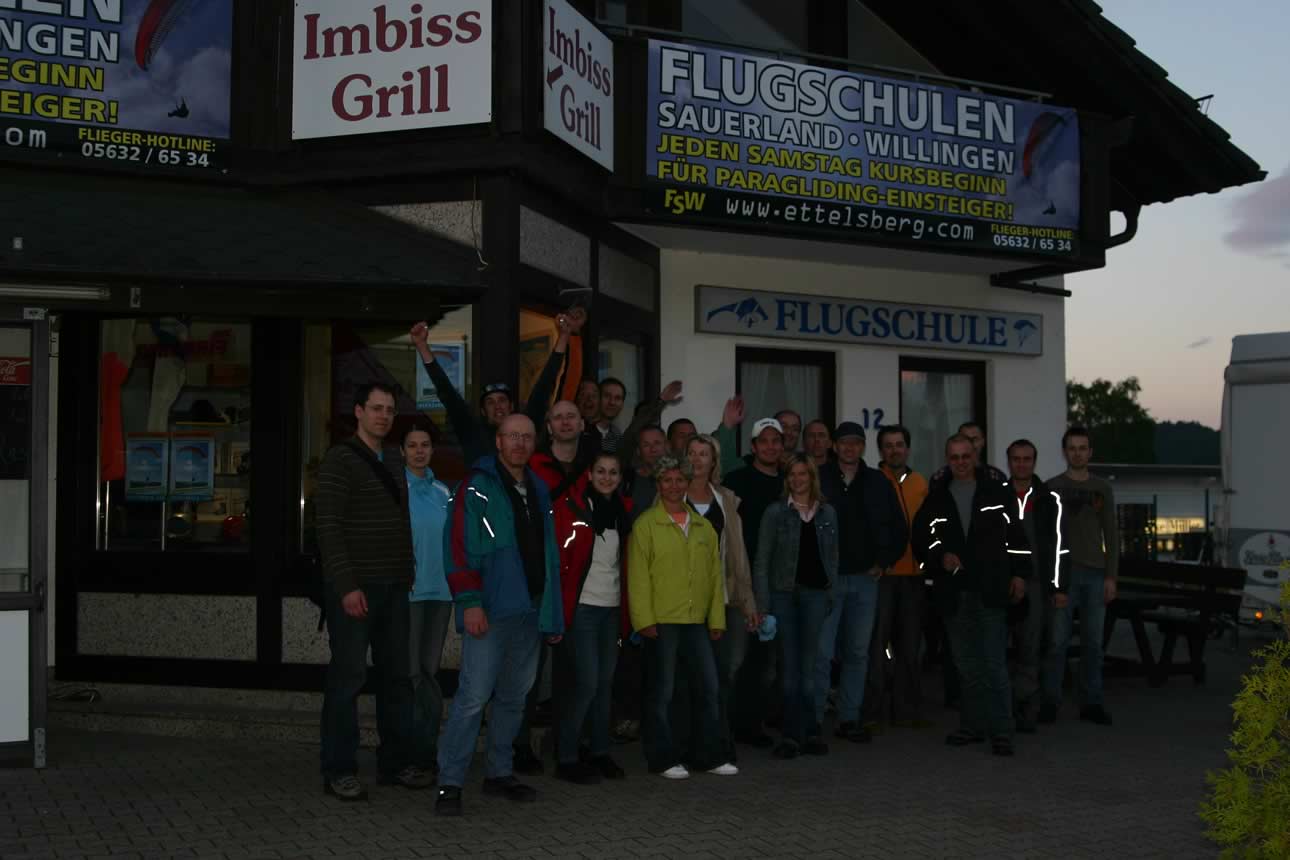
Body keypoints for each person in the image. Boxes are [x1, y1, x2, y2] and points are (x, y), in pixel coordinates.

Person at [435, 415, 565, 816]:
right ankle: (450, 783)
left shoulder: (539, 489)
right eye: (512, 436)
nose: (520, 443)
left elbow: (548, 554)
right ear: (498, 441)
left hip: (530, 610)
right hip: (489, 611)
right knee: (473, 698)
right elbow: (457, 547)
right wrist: (470, 602)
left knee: (513, 698)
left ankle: (499, 773)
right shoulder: (475, 487)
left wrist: (552, 613)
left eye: (526, 437)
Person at [316, 383, 432, 801]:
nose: (383, 416)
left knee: (397, 679)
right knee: (347, 679)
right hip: (356, 590)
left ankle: (395, 764)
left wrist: (408, 570)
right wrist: (346, 586)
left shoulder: (395, 460)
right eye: (376, 408)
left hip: (395, 587)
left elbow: (400, 520)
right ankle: (338, 770)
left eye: (389, 410)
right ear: (359, 412)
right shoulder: (339, 460)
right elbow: (328, 526)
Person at [914, 434, 1030, 756]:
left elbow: (1016, 536)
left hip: (991, 590)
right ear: (947, 459)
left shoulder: (997, 491)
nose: (961, 462)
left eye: (965, 456)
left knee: (994, 663)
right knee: (966, 664)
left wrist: (1020, 574)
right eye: (954, 457)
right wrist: (940, 557)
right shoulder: (937, 496)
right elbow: (922, 538)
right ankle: (973, 725)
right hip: (954, 593)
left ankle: (1002, 730)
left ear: (975, 456)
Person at [628, 455, 736, 780]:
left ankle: (709, 755)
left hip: (697, 621)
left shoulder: (703, 527)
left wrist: (716, 619)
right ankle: (662, 757)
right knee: (662, 692)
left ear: (687, 483)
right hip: (661, 621)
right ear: (658, 484)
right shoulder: (646, 525)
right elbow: (638, 578)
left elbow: (715, 577)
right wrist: (644, 620)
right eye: (667, 480)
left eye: (679, 480)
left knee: (708, 687)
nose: (673, 486)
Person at [816, 422, 907, 743]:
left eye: (856, 442)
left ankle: (849, 718)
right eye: (844, 442)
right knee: (822, 653)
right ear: (835, 446)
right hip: (827, 581)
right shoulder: (819, 478)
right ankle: (814, 720)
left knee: (857, 652)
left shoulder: (878, 482)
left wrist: (884, 561)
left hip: (865, 581)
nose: (850, 448)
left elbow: (899, 527)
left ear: (863, 447)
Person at [552, 453, 633, 784]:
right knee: (586, 683)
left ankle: (599, 751)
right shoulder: (572, 508)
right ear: (589, 473)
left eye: (613, 472)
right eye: (600, 471)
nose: (606, 477)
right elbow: (560, 562)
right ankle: (566, 756)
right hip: (583, 608)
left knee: (604, 684)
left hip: (611, 608)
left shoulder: (623, 512)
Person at [410, 310, 584, 465]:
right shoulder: (473, 433)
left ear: (512, 406)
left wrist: (564, 336)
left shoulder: (525, 427)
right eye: (490, 402)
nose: (498, 406)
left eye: (502, 400)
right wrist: (422, 346)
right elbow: (447, 393)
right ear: (483, 411)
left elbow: (545, 386)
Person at [754, 455, 840, 759]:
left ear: (812, 477)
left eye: (803, 474)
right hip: (783, 596)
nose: (798, 479)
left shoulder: (828, 513)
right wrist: (763, 604)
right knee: (789, 668)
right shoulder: (775, 513)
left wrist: (831, 595)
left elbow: (833, 558)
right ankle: (791, 735)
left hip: (816, 596)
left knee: (810, 666)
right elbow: (762, 561)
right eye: (792, 474)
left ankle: (812, 730)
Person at [684, 433, 759, 764]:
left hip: (727, 597)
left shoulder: (726, 498)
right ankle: (704, 743)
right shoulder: (671, 495)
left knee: (728, 668)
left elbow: (738, 554)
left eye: (704, 454)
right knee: (697, 674)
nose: (698, 459)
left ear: (714, 461)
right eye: (692, 453)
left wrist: (748, 601)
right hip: (687, 601)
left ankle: (719, 736)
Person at [1041, 426, 1119, 727]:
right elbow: (1046, 537)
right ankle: (1050, 701)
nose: (1077, 453)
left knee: (1093, 644)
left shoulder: (1102, 488)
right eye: (1072, 448)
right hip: (1064, 575)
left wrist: (1111, 576)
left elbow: (1111, 534)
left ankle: (1092, 701)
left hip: (1096, 575)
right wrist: (1050, 579)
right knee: (1057, 642)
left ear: (1090, 452)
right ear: (1065, 452)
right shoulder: (1051, 487)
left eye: (1082, 448)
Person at [722, 418, 787, 747]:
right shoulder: (737, 480)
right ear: (753, 446)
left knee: (767, 663)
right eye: (764, 441)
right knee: (736, 659)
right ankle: (724, 727)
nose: (770, 447)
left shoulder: (790, 483)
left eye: (776, 441)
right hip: (741, 584)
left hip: (779, 585)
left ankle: (753, 726)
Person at [865, 424, 931, 729]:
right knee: (877, 646)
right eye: (889, 445)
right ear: (881, 450)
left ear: (907, 448)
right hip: (884, 576)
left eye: (899, 444)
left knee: (910, 645)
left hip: (914, 576)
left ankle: (907, 710)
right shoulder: (873, 481)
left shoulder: (920, 483)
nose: (894, 450)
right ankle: (874, 710)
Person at [1005, 439, 1068, 734]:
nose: (1021, 464)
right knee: (1000, 648)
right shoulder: (997, 496)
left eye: (1026, 459)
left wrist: (1059, 586)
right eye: (1016, 459)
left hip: (1037, 585)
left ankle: (1025, 708)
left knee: (1030, 649)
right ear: (1009, 462)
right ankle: (1002, 707)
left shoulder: (1048, 499)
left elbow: (1060, 547)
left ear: (1034, 461)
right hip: (1002, 584)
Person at [403, 421, 455, 775]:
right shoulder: (397, 490)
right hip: (409, 594)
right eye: (412, 445)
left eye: (425, 445)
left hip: (441, 594)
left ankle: (428, 748)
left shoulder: (443, 492)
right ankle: (412, 750)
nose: (419, 451)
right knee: (411, 672)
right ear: (402, 451)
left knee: (429, 672)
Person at [931, 421, 1007, 484]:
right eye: (965, 438)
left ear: (983, 442)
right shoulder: (940, 478)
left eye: (974, 439)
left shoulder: (996, 477)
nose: (971, 444)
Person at [595, 377, 628, 453]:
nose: (612, 402)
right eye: (607, 396)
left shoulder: (617, 436)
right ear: (597, 398)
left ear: (622, 404)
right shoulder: (581, 430)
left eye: (617, 398)